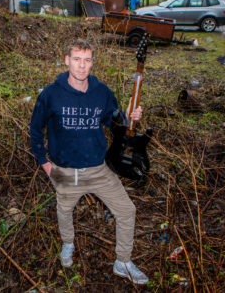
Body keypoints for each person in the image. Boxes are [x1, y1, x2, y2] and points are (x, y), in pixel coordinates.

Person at [29, 39, 148, 284]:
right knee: (64, 209)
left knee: (127, 211)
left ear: (92, 62)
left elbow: (115, 124)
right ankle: (68, 244)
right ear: (66, 60)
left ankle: (122, 261)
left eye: (87, 60)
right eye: (77, 59)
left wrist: (128, 116)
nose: (82, 66)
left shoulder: (101, 92)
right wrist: (44, 162)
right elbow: (35, 129)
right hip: (63, 169)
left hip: (98, 169)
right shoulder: (51, 94)